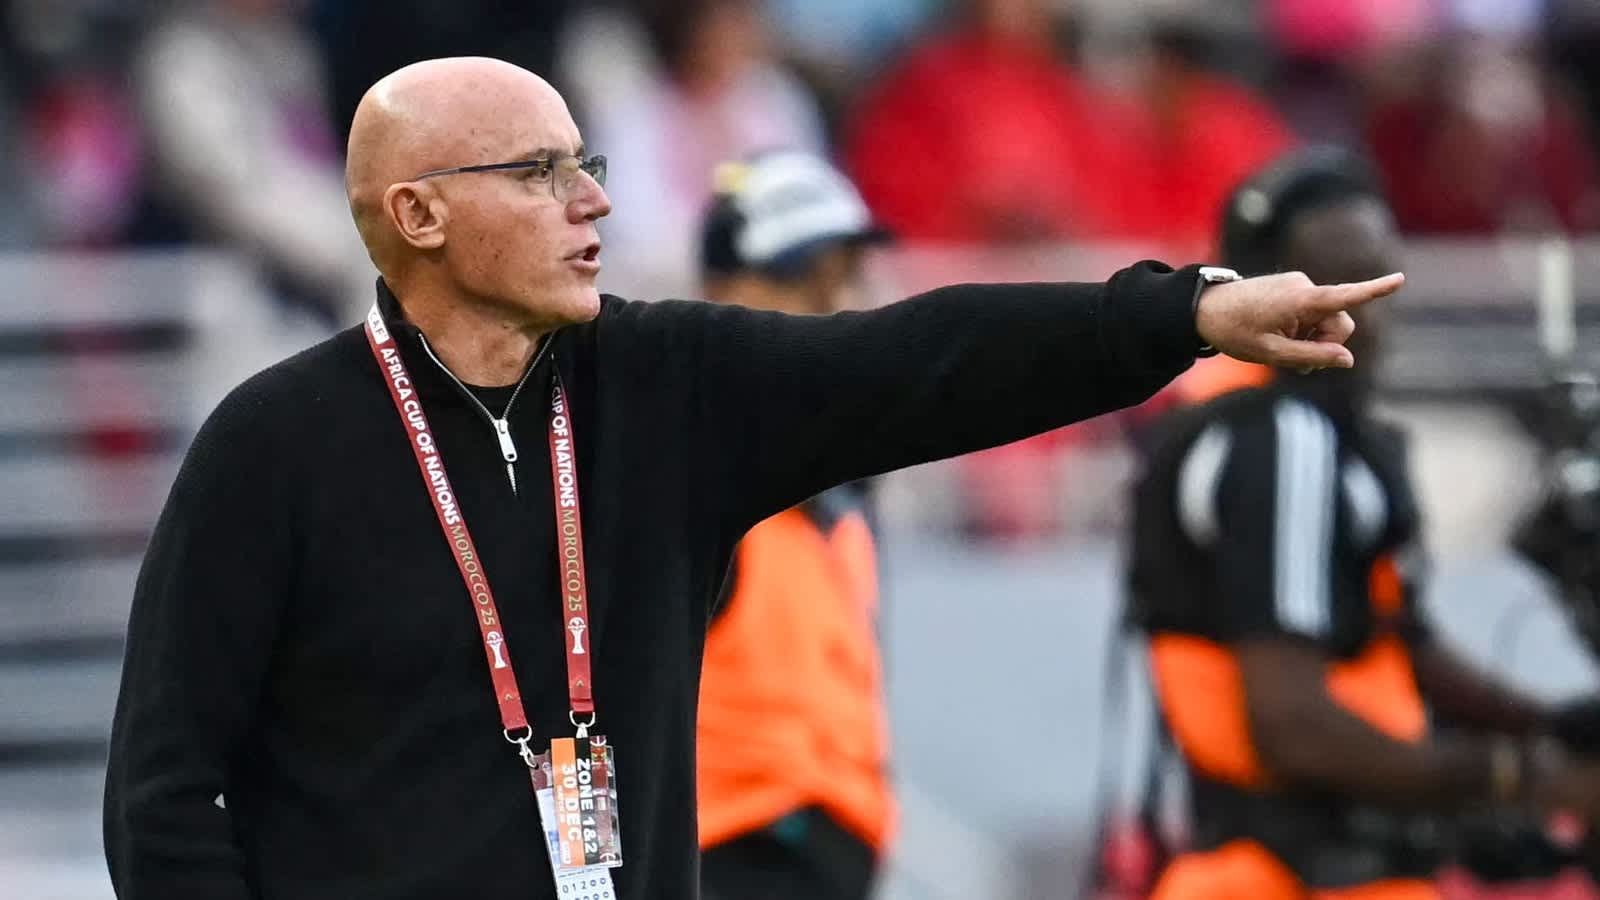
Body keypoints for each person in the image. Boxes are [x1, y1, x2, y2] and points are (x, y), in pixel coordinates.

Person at [102, 56, 1404, 900]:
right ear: (418, 216)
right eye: (540, 172)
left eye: (588, 165)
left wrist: (1179, 315)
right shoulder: (270, 445)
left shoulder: (668, 387)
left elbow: (922, 357)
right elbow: (167, 789)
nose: (591, 203)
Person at [1125, 146, 1600, 900]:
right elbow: (1292, 723)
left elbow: (1389, 640)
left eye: (1380, 281)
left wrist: (1540, 725)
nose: (1363, 316)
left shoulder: (1281, 425)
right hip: (1296, 873)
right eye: (1337, 283)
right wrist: (1520, 777)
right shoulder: (1282, 436)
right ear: (1259, 291)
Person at [693, 151, 893, 900]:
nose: (835, 303)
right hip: (724, 857)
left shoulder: (838, 492)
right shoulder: (685, 468)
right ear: (719, 291)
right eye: (805, 278)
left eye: (844, 276)